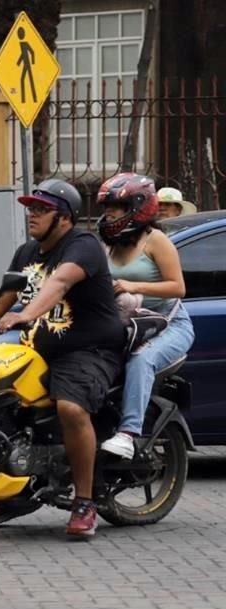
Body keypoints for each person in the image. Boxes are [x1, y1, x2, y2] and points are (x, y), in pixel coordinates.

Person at [0, 178, 126, 538]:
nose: (32, 215)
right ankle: (17, 492)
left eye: (42, 209)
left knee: (70, 408)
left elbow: (59, 284)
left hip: (88, 350)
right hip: (37, 349)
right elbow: (1, 298)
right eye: (30, 208)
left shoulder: (83, 246)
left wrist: (27, 314)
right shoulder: (26, 253)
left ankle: (85, 502)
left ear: (65, 218)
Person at [97, 174, 195, 459]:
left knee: (142, 360)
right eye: (106, 207)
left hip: (169, 326)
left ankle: (128, 433)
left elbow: (178, 287)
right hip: (127, 325)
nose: (109, 213)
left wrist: (133, 285)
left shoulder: (157, 241)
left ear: (138, 207)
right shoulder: (109, 244)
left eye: (116, 206)